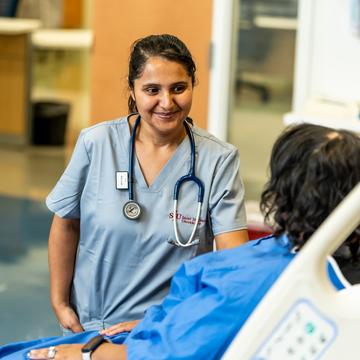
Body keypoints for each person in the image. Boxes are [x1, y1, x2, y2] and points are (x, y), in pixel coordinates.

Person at [2, 123, 358, 360]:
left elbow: (169, 353)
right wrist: (156, 319)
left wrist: (86, 354)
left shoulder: (258, 275)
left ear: (282, 190)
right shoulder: (304, 262)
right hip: (145, 328)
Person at [45, 34, 249, 335]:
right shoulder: (97, 144)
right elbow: (66, 224)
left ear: (193, 85)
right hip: (90, 328)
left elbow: (234, 263)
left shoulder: (218, 160)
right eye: (152, 90)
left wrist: (161, 323)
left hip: (168, 332)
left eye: (179, 88)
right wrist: (60, 302)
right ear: (132, 89)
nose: (166, 103)